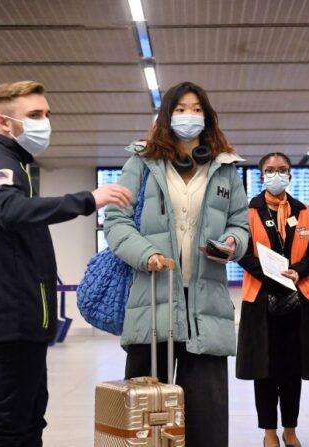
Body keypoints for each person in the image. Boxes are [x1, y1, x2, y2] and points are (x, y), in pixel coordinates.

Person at [0, 80, 132, 446]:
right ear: (4, 123)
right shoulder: (0, 164)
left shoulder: (17, 166)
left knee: (30, 413)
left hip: (25, 312)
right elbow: (9, 210)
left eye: (46, 114)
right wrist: (87, 199)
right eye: (35, 115)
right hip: (12, 312)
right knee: (10, 419)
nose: (45, 122)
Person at [104, 81, 249, 447]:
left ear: (208, 116)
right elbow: (116, 221)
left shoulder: (225, 169)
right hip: (152, 300)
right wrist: (145, 254)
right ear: (167, 116)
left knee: (207, 412)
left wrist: (234, 243)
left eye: (197, 109)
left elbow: (241, 224)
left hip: (206, 305)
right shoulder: (141, 163)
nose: (189, 116)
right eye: (181, 109)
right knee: (143, 412)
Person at [236, 152, 309, 447]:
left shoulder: (302, 211)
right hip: (260, 300)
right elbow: (243, 252)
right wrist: (270, 273)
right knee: (263, 372)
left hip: (297, 300)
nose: (276, 174)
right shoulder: (248, 211)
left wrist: (298, 271)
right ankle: (268, 432)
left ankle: (290, 429)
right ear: (261, 175)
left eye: (282, 169)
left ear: (290, 174)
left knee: (292, 372)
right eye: (270, 170)